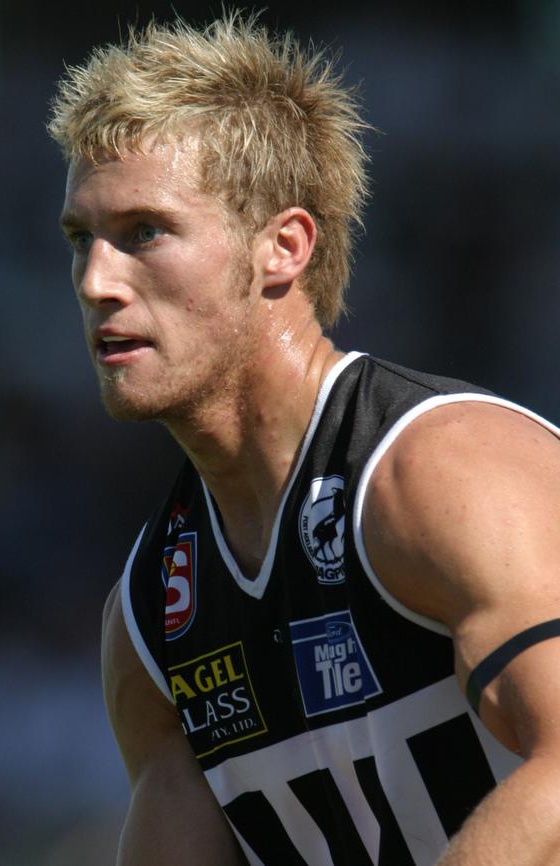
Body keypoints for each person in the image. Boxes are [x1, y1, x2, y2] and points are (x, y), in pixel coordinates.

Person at [48, 14, 560, 866]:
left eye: (144, 232)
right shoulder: (150, 622)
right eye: (80, 241)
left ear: (282, 248)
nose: (97, 281)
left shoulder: (439, 469)